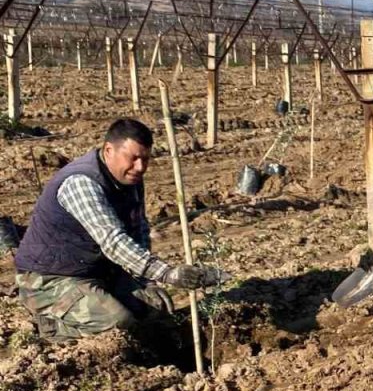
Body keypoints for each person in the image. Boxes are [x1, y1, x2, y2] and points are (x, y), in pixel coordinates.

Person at [12, 119, 225, 342]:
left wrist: (145, 280)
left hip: (98, 272)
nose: (140, 167)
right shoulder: (81, 183)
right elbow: (114, 242)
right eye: (133, 158)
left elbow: (138, 229)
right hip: (51, 279)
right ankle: (52, 327)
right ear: (108, 150)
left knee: (156, 307)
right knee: (118, 324)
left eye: (145, 159)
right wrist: (167, 273)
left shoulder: (130, 179)